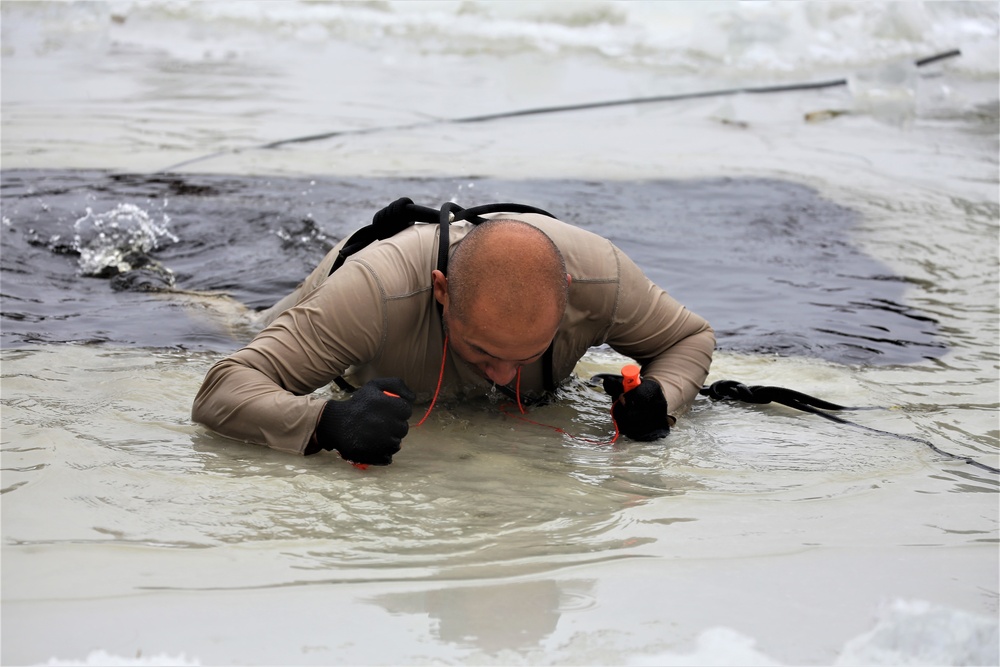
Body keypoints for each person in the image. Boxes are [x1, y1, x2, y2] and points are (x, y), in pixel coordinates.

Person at [192, 204, 715, 465]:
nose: (505, 376)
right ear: (442, 294)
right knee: (231, 319)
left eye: (527, 353)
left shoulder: (603, 279)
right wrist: (328, 422)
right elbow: (223, 388)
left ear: (569, 293)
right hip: (340, 287)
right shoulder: (375, 295)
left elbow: (688, 338)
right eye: (484, 350)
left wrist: (661, 400)